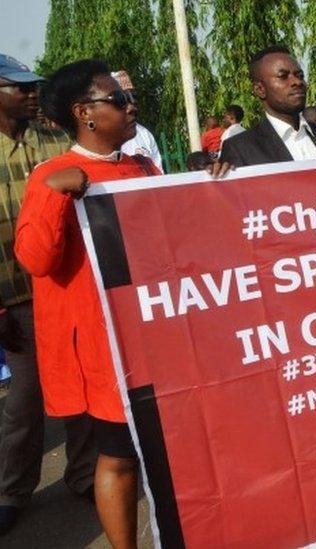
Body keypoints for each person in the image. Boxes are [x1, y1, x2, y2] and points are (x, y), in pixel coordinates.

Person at [16, 59, 230, 548]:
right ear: (84, 113)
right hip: (106, 348)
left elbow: (179, 243)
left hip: (158, 336)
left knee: (174, 453)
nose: (130, 106)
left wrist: (210, 184)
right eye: (117, 99)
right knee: (118, 455)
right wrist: (56, 196)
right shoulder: (51, 176)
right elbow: (35, 258)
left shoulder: (143, 167)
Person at [0, 53, 97, 536]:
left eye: (32, 85)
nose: (31, 92)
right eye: (18, 87)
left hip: (65, 288)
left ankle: (82, 475)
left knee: (77, 388)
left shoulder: (58, 140)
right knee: (25, 401)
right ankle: (12, 491)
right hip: (13, 297)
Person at [220, 46, 316, 167]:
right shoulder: (240, 149)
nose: (297, 82)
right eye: (283, 77)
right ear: (260, 90)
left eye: (300, 76)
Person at [111, 70, 164, 173]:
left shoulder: (144, 134)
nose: (132, 104)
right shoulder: (101, 139)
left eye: (133, 96)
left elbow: (159, 177)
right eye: (122, 98)